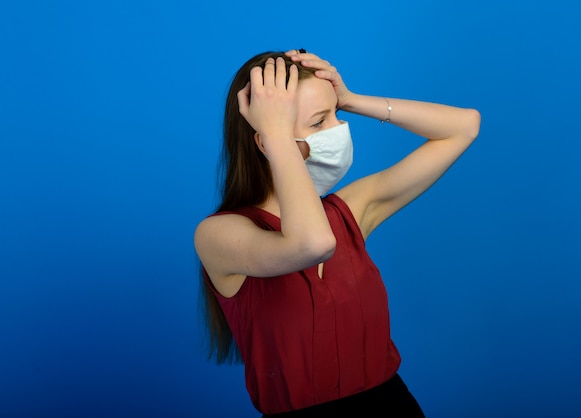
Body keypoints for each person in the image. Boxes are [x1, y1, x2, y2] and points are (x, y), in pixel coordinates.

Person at [194, 49, 480, 417]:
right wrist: (278, 134)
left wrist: (351, 99)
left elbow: (463, 126)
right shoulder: (218, 234)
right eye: (318, 123)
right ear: (266, 142)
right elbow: (313, 243)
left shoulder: (349, 211)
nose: (338, 131)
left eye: (336, 116)